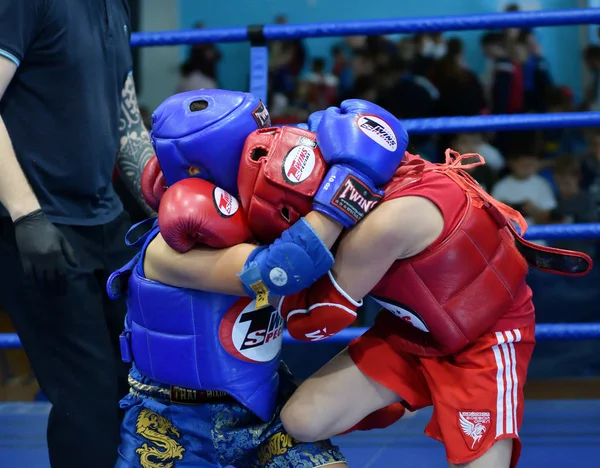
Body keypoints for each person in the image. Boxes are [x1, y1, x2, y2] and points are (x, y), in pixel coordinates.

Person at [223, 107, 591, 467]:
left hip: (487, 338)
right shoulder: (380, 168)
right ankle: (407, 394)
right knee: (302, 420)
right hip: (413, 333)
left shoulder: (385, 224)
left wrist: (276, 263)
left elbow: (314, 322)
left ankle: (443, 397)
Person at [107, 89, 408, 466]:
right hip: (170, 422)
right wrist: (350, 187)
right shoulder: (166, 250)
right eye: (251, 150)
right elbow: (272, 274)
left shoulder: (262, 217)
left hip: (262, 406)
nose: (269, 155)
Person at [0, 1, 155, 466]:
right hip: (37, 225)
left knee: (138, 385)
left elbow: (128, 127)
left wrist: (174, 210)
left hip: (106, 221)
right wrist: (26, 214)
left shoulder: (116, 6)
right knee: (86, 399)